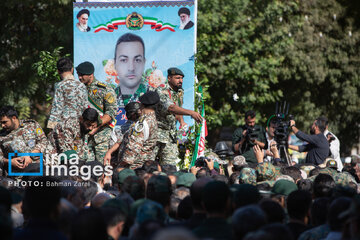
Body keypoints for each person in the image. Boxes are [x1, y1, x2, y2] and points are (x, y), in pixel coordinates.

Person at [154, 67, 202, 166]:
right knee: (149, 165)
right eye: (177, 78)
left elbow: (178, 108)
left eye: (182, 78)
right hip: (156, 134)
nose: (180, 81)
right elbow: (171, 108)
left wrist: (181, 121)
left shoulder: (180, 92)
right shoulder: (161, 90)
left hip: (170, 135)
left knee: (170, 166)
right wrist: (191, 113)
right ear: (169, 78)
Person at [76, 61, 117, 163]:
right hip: (84, 137)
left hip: (101, 137)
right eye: (78, 75)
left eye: (82, 75)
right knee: (85, 168)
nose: (79, 77)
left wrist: (96, 126)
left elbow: (111, 112)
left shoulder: (105, 89)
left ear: (90, 75)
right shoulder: (77, 90)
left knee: (101, 168)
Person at [116, 91, 159, 169]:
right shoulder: (153, 119)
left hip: (135, 166)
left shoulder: (143, 123)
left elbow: (134, 147)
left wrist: (122, 166)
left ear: (142, 105)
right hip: (145, 165)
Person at [0, 106, 48, 172]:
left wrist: (30, 155)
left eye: (4, 122)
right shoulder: (1, 136)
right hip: (17, 176)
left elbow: (44, 141)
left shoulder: (32, 125)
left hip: (38, 170)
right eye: (1, 123)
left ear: (13, 118)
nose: (2, 125)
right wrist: (9, 161)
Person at [47, 57, 88, 129]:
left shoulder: (60, 86)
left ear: (58, 71)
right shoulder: (82, 86)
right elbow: (85, 107)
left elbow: (57, 108)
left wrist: (51, 128)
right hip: (79, 127)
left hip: (64, 129)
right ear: (72, 70)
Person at [114, 33, 148, 108]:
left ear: (144, 63)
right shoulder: (107, 97)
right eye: (123, 60)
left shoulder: (154, 96)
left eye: (137, 60)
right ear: (115, 63)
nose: (131, 68)